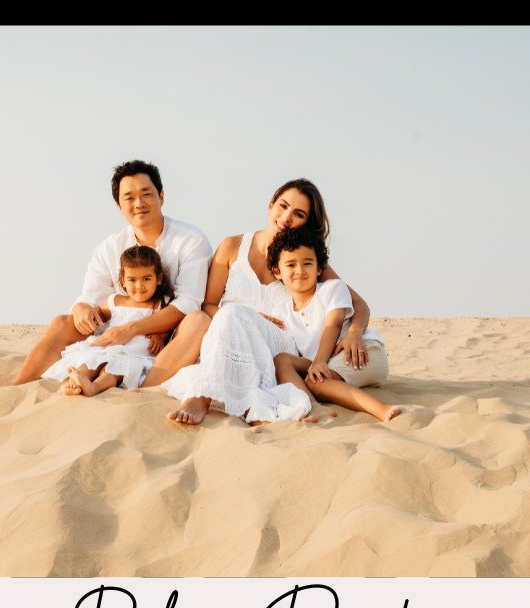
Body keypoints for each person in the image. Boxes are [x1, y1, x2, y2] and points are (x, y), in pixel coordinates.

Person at [149, 178, 372, 425]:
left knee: (232, 314)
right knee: (231, 314)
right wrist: (248, 317)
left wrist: (355, 332)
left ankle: (203, 396)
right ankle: (222, 398)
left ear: (306, 223)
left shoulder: (303, 260)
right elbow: (209, 304)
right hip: (230, 330)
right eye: (283, 206)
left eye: (298, 214)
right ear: (270, 205)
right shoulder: (232, 246)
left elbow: (358, 303)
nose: (286, 217)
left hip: (280, 342)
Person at [10, 160, 212, 385]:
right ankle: (16, 388)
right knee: (62, 322)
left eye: (146, 194)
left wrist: (131, 329)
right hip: (114, 337)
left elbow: (188, 303)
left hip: (168, 337)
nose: (139, 203)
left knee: (199, 320)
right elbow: (89, 300)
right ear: (118, 206)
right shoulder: (109, 247)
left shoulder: (191, 240)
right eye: (129, 198)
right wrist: (81, 310)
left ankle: (145, 391)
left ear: (161, 196)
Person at [268, 227, 402, 422]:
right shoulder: (281, 311)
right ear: (277, 271)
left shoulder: (332, 289)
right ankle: (312, 406)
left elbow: (334, 324)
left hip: (359, 352)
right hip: (325, 363)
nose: (300, 271)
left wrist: (320, 362)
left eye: (307, 263)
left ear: (319, 268)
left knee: (317, 383)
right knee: (281, 360)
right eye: (291, 265)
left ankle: (381, 409)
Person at [41, 245, 173, 397]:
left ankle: (95, 387)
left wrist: (160, 336)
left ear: (159, 278)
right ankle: (77, 379)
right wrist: (86, 312)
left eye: (146, 278)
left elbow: (168, 324)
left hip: (134, 352)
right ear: (123, 280)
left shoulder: (160, 304)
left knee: (114, 370)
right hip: (108, 346)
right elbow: (97, 313)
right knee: (89, 360)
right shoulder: (116, 300)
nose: (139, 286)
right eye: (132, 279)